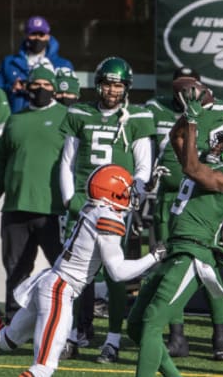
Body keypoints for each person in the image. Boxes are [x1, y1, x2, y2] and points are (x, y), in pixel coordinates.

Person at [0, 164, 167, 377]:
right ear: (113, 193)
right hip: (61, 290)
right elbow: (118, 273)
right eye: (126, 190)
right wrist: (154, 257)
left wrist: (147, 186)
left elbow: (127, 201)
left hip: (51, 280)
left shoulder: (95, 208)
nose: (130, 195)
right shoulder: (108, 218)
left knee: (6, 340)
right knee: (44, 367)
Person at [127, 86, 223, 377]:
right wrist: (186, 117)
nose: (216, 145)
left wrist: (195, 122)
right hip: (174, 248)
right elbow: (177, 138)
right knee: (136, 326)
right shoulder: (212, 163)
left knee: (151, 322)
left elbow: (190, 167)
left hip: (193, 252)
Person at [59, 56, 154, 363]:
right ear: (98, 85)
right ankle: (73, 334)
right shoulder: (79, 113)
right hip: (84, 207)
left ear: (126, 88)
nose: (112, 91)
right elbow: (67, 162)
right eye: (107, 84)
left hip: (116, 208)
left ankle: (112, 340)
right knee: (75, 275)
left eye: (117, 85)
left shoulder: (137, 117)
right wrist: (69, 199)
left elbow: (143, 168)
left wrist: (128, 198)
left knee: (115, 276)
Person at [145, 66, 223, 360]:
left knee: (206, 262)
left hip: (202, 198)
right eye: (180, 87)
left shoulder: (218, 109)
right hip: (167, 197)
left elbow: (222, 157)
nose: (185, 93)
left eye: (191, 87)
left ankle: (220, 333)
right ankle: (177, 335)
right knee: (170, 265)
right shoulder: (155, 108)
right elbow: (150, 149)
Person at [0, 65, 68, 322]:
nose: (41, 89)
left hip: (53, 210)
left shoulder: (67, 117)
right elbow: (1, 163)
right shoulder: (15, 119)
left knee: (63, 271)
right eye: (36, 84)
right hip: (15, 208)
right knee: (16, 270)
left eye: (47, 85)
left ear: (54, 88)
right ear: (27, 86)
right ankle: (14, 323)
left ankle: (67, 324)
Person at [0, 16, 74, 114]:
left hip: (51, 119)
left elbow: (69, 94)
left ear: (48, 36)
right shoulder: (10, 62)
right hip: (17, 116)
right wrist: (11, 88)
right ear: (26, 35)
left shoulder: (63, 64)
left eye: (41, 34)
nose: (37, 38)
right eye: (33, 34)